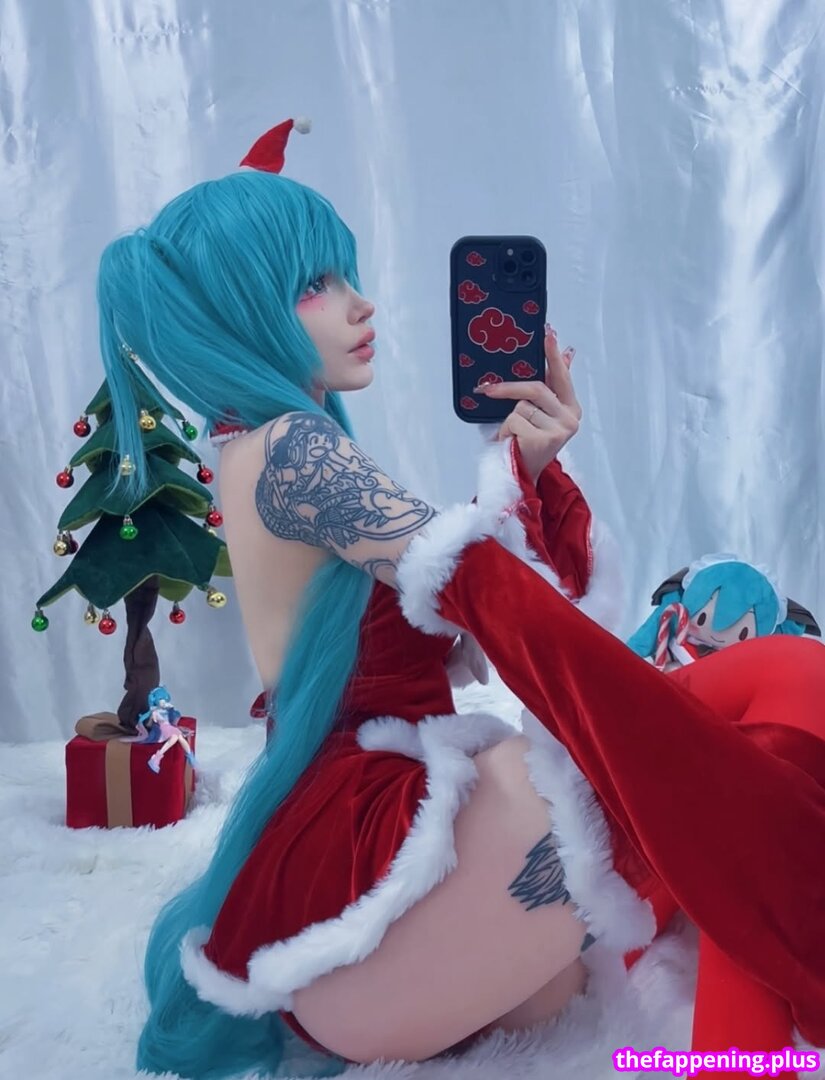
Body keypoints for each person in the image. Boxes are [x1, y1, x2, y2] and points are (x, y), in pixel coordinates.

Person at [95, 159, 825, 1080]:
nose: (359, 304)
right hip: (379, 866)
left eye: (348, 275)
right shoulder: (294, 448)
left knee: (746, 762)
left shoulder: (259, 445)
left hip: (378, 903)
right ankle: (742, 1046)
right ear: (240, 314)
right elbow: (487, 595)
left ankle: (739, 1040)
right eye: (315, 285)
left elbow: (460, 598)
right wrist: (644, 722)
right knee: (772, 700)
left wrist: (523, 468)